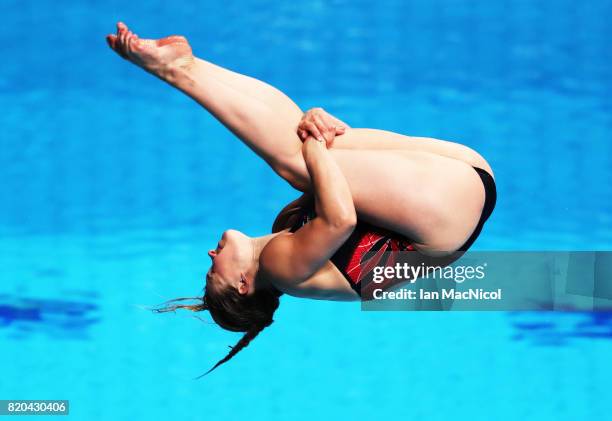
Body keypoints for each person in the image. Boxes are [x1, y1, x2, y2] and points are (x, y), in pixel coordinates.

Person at [106, 22, 497, 374]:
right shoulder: (282, 269)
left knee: (298, 141)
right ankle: (175, 70)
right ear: (243, 283)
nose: (210, 256)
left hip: (461, 186)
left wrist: (314, 132)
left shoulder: (285, 231)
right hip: (446, 212)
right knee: (297, 159)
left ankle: (188, 64)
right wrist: (316, 141)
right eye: (213, 273)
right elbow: (340, 219)